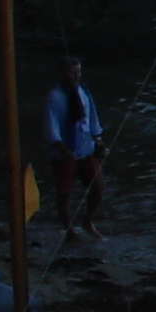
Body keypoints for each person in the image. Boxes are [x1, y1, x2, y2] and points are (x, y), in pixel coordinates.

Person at [43, 55, 107, 240]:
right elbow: (51, 129)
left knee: (98, 185)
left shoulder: (83, 92)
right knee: (65, 192)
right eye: (72, 73)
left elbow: (91, 119)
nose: (76, 76)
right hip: (64, 153)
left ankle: (88, 221)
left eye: (78, 72)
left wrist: (98, 139)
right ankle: (69, 229)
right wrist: (64, 150)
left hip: (85, 148)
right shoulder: (55, 97)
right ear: (63, 74)